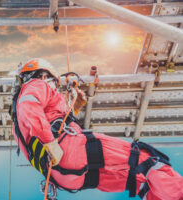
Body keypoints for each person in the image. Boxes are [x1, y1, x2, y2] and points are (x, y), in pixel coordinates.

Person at [11, 58, 183, 200]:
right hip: (70, 151)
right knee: (147, 160)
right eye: (55, 84)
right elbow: (30, 106)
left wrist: (74, 108)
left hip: (64, 176)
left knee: (138, 182)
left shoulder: (16, 122)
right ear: (45, 75)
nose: (55, 88)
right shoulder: (36, 84)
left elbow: (50, 120)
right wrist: (50, 142)